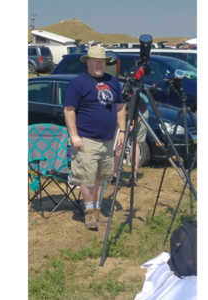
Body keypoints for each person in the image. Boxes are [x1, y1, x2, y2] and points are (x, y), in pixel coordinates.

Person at [64, 45, 126, 230]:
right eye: (95, 61)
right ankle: (89, 212)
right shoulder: (78, 83)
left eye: (102, 61)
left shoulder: (113, 82)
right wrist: (74, 135)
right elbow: (69, 110)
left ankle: (97, 208)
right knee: (86, 178)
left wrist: (122, 131)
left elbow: (120, 107)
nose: (99, 64)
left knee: (100, 177)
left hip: (107, 140)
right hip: (86, 139)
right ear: (88, 62)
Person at [112, 96, 149, 186]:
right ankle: (115, 175)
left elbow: (138, 110)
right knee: (120, 142)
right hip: (123, 112)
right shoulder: (113, 94)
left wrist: (133, 123)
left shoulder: (131, 96)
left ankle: (133, 176)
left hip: (140, 113)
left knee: (134, 142)